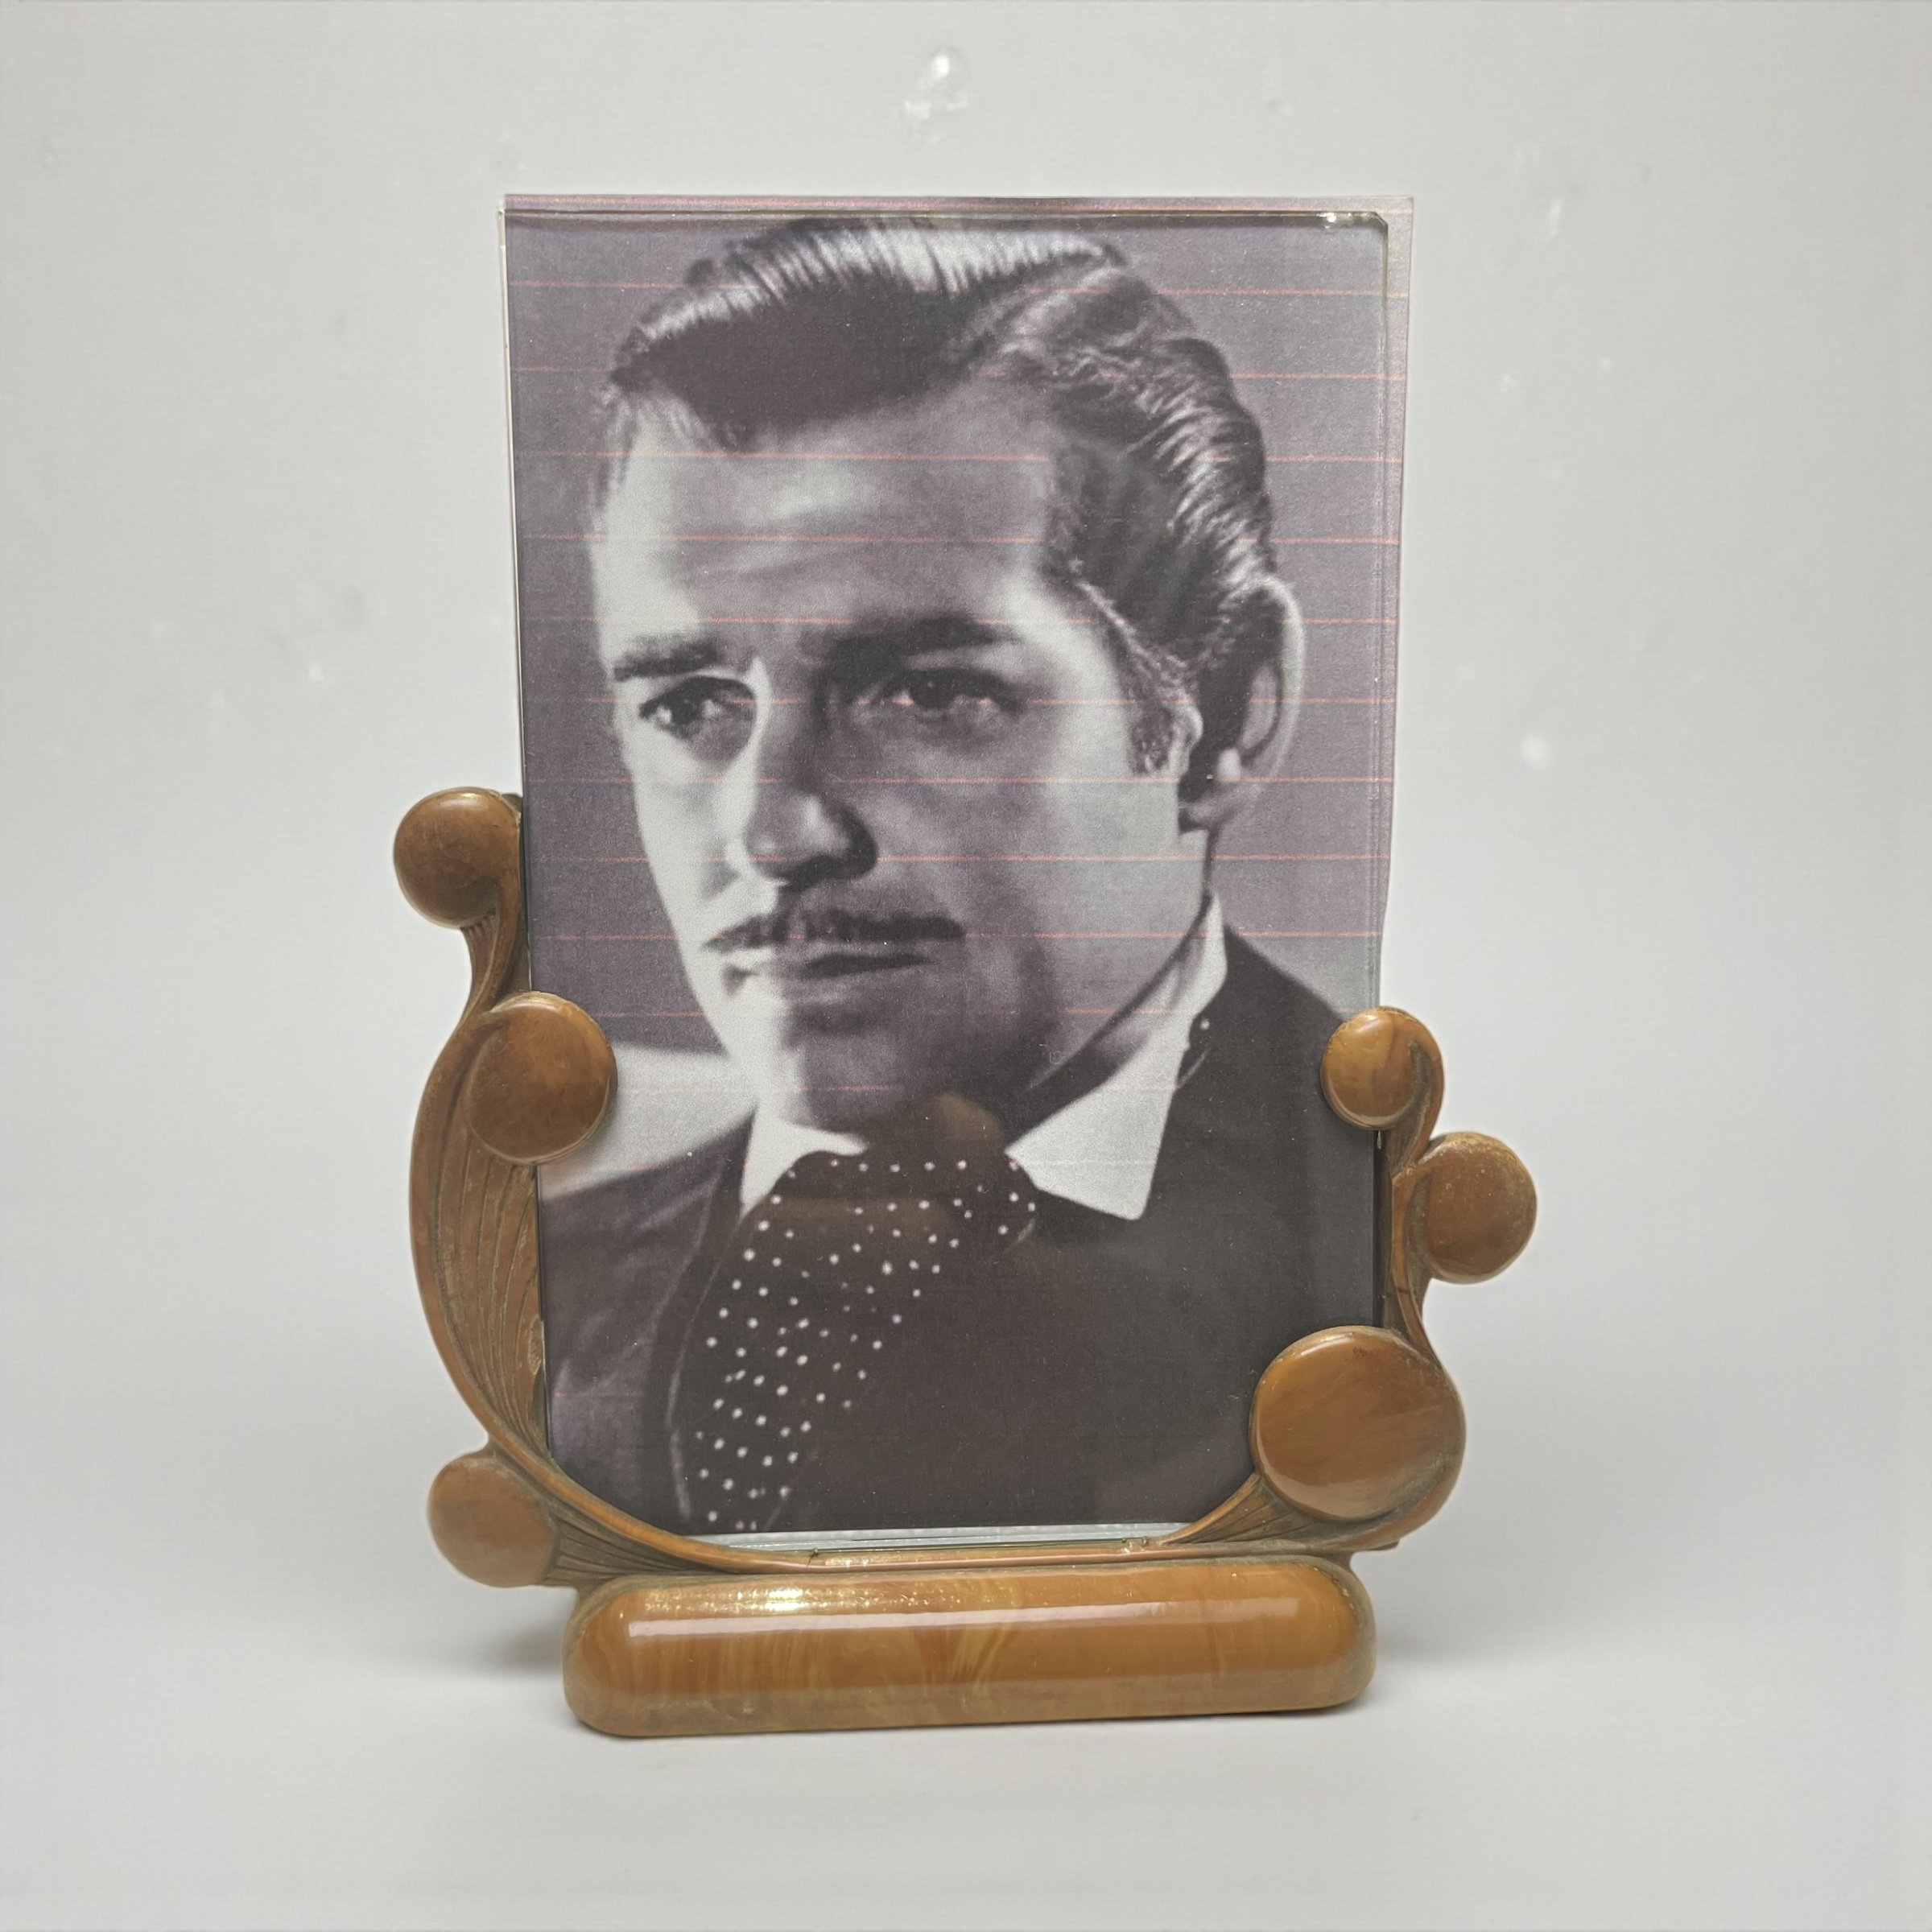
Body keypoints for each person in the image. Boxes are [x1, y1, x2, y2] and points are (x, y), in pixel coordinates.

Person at [538, 218, 1373, 1536]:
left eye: (928, 694)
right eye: (690, 705)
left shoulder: (1357, 1235)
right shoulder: (560, 1273)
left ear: (1223, 712)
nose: (773, 831)